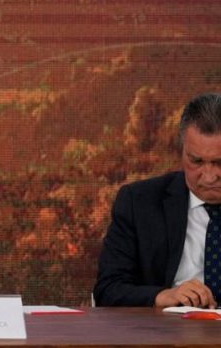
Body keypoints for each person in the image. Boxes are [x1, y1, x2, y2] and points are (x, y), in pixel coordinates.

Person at [94, 92, 221, 308]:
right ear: (182, 151)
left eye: (219, 163)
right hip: (167, 334)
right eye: (196, 161)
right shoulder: (139, 203)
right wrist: (164, 296)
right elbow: (108, 289)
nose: (209, 176)